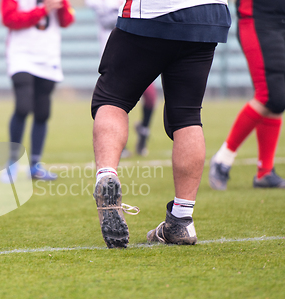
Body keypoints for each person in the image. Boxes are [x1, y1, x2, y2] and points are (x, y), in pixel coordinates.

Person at [91, 1, 231, 248]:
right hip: (206, 15)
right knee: (187, 116)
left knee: (112, 99)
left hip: (153, 13)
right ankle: (181, 220)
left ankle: (107, 176)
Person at [209, 0, 285, 190]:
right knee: (270, 95)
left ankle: (265, 172)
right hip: (259, 18)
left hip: (278, 18)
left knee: (279, 95)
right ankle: (223, 159)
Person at [0, 0, 75, 181]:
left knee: (42, 112)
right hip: (21, 56)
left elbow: (67, 21)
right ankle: (12, 162)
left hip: (48, 57)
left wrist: (61, 5)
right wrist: (41, 10)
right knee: (23, 107)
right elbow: (9, 19)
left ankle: (35, 165)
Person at [86, 0, 157, 157]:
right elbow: (106, 19)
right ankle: (118, 144)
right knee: (118, 102)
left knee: (151, 98)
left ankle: (143, 133)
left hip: (139, 53)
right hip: (114, 55)